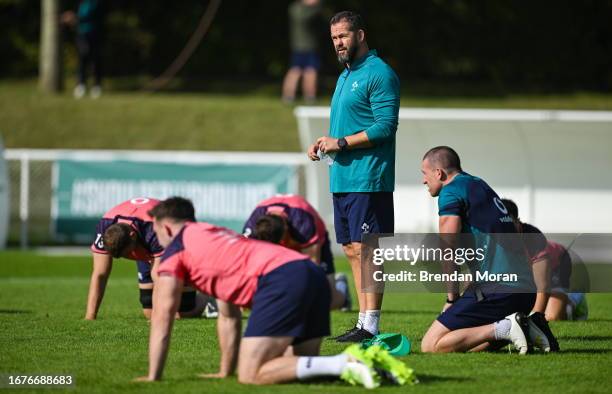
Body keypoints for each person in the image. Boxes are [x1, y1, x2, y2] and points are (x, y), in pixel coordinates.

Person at [135, 197, 413, 387]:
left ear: (167, 227)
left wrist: (153, 377)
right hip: (310, 273)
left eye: (156, 230)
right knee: (296, 366)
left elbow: (161, 320)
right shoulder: (214, 233)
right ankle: (368, 367)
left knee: (251, 373)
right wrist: (223, 371)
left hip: (282, 280)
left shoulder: (176, 253)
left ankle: (346, 362)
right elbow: (228, 315)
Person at [307, 11, 400, 342]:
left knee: (368, 250)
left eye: (343, 36)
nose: (338, 43)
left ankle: (370, 325)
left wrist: (341, 142)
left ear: (360, 35)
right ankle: (362, 322)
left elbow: (385, 127)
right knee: (350, 249)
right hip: (342, 178)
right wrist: (326, 142)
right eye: (334, 38)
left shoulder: (379, 73)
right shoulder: (346, 75)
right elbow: (347, 127)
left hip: (368, 178)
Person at [419, 146, 551, 354]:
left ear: (439, 173)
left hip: (499, 289)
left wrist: (451, 299)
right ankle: (526, 327)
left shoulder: (451, 191)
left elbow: (448, 249)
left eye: (424, 174)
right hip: (524, 293)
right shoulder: (478, 184)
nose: (423, 181)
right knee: (468, 346)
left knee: (431, 345)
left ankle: (507, 326)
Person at [85, 197, 206, 320]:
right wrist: (90, 317)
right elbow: (100, 274)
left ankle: (208, 297)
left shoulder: (154, 229)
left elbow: (159, 278)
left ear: (132, 236)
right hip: (145, 243)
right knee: (149, 310)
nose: (130, 256)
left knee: (180, 313)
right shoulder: (105, 226)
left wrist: (157, 319)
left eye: (129, 253)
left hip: (179, 244)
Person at [242, 194, 351, 310]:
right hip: (286, 235)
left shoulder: (303, 222)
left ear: (286, 229)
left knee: (324, 302)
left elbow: (311, 271)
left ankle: (342, 288)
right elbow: (245, 264)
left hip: (309, 245)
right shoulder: (255, 223)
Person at [502, 199, 587, 323]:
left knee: (552, 317)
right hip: (529, 272)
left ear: (518, 221)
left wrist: (534, 321)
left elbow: (543, 286)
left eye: (510, 224)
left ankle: (575, 299)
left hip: (558, 263)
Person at [282, 0, 324, 103]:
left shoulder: (296, 8)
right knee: (304, 71)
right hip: (304, 46)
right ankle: (299, 97)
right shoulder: (299, 9)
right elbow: (306, 18)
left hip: (304, 46)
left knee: (304, 71)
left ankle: (305, 97)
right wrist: (316, 6)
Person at [61, 0, 104, 99]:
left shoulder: (95, 3)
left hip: (94, 34)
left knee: (95, 59)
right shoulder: (80, 3)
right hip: (81, 35)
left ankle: (96, 86)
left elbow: (92, 15)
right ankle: (81, 84)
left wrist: (74, 17)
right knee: (82, 58)